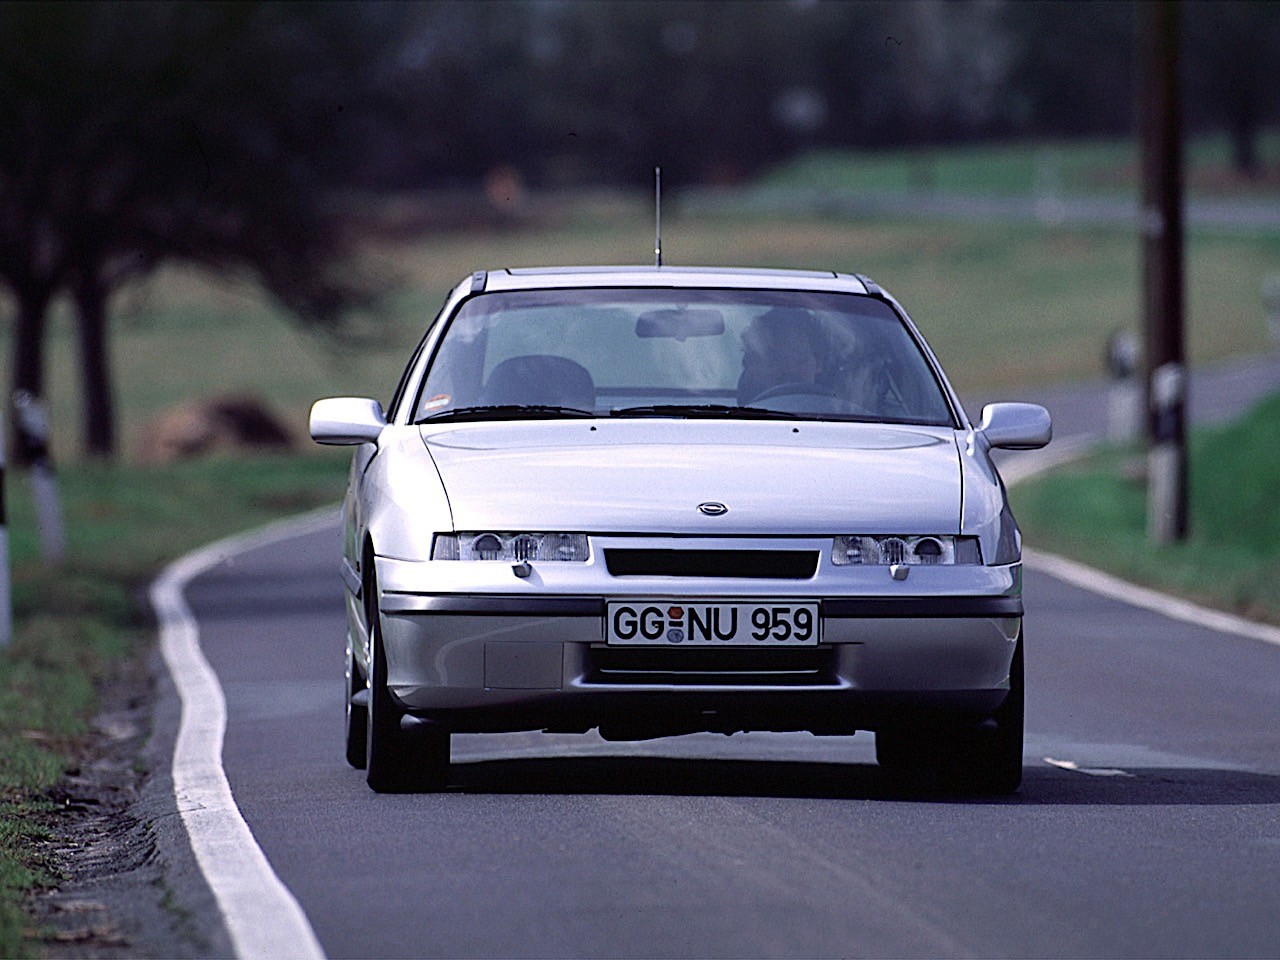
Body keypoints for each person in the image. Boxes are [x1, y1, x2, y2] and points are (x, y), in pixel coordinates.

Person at [736, 307, 827, 406]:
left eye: (799, 357)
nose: (789, 368)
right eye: (778, 359)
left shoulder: (840, 411)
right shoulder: (742, 416)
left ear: (818, 362)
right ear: (757, 365)